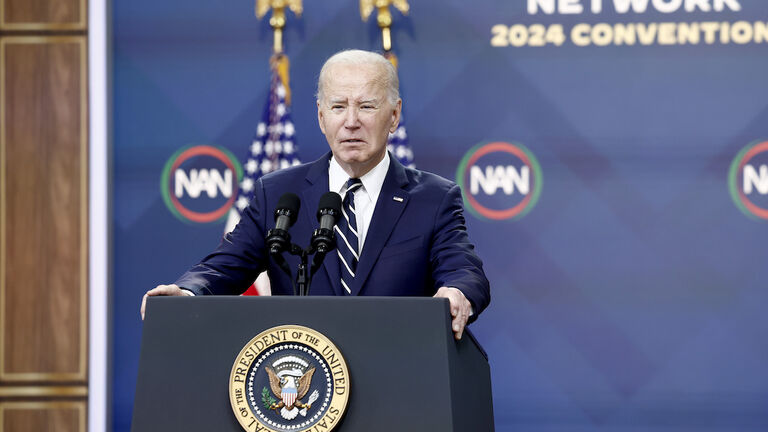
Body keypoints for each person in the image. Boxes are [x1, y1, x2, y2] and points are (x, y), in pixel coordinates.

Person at [141, 49, 490, 339]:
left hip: (399, 378)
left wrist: (456, 293)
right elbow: (227, 264)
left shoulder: (433, 198)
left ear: (394, 114)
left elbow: (463, 269)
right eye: (338, 107)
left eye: (366, 106)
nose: (351, 121)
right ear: (322, 117)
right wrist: (187, 291)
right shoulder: (278, 193)